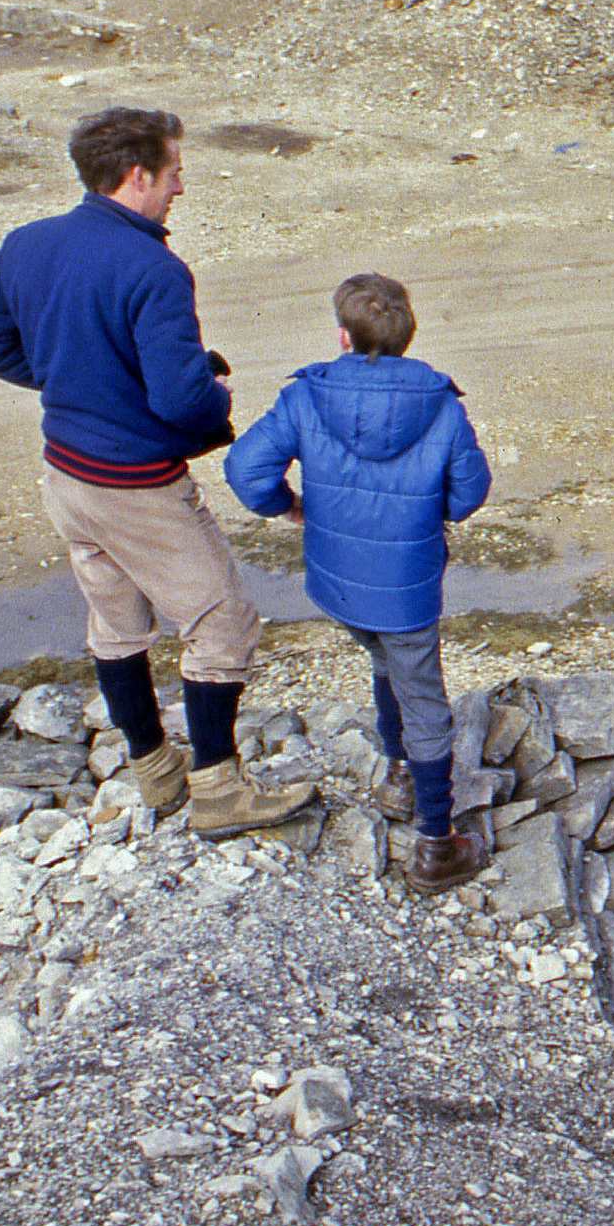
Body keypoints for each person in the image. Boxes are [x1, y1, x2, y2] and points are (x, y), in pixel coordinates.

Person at [0, 107, 320, 835]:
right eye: (175, 171)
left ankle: (153, 771)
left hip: (66, 474)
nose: (180, 187)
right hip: (135, 485)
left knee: (117, 624)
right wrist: (215, 401)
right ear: (137, 175)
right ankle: (219, 791)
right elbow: (183, 399)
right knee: (224, 623)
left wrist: (75, 381)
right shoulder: (154, 268)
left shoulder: (26, 243)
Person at [223, 273, 494, 892]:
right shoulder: (443, 406)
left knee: (382, 660)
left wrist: (286, 506)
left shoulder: (306, 397)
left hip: (338, 578)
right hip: (407, 582)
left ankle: (399, 770)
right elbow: (469, 495)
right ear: (407, 335)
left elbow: (244, 467)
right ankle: (434, 844)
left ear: (342, 336)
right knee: (423, 695)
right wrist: (438, 509)